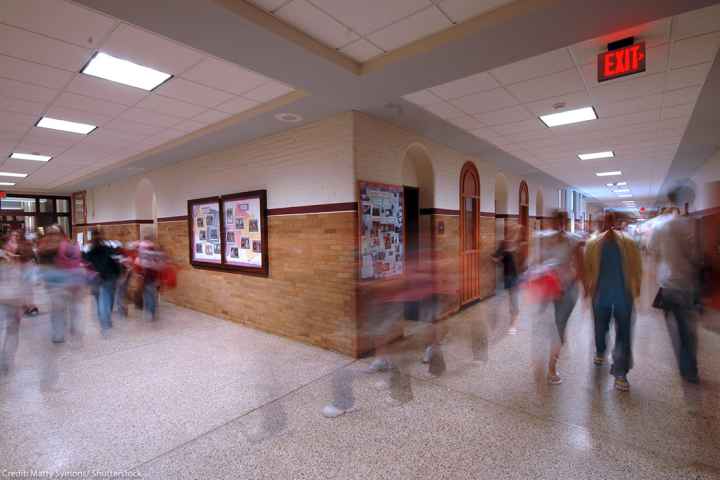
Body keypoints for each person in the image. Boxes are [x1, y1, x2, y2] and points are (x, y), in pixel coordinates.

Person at [584, 211, 642, 391]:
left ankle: (620, 373)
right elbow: (588, 269)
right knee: (602, 329)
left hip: (622, 297)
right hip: (602, 296)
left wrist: (635, 290)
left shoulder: (628, 243)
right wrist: (588, 289)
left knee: (623, 335)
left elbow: (636, 268)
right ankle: (601, 351)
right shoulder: (593, 244)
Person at [649, 187, 701, 383]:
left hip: (667, 285)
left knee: (675, 328)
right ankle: (690, 368)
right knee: (688, 328)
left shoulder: (660, 226)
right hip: (686, 284)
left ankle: (684, 364)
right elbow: (695, 255)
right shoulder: (688, 225)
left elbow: (652, 249)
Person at [538, 211, 583, 385]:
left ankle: (552, 366)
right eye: (556, 220)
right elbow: (538, 262)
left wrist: (576, 283)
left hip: (566, 289)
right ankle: (550, 354)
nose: (559, 224)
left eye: (562, 221)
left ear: (566, 222)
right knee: (545, 324)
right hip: (548, 287)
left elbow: (580, 266)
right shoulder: (545, 240)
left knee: (559, 327)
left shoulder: (574, 240)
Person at [84, 230, 121, 335]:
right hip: (108, 277)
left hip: (95, 278)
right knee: (106, 300)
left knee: (99, 300)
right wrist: (118, 273)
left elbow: (86, 262)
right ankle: (106, 323)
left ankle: (104, 320)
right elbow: (115, 262)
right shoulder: (108, 249)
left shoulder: (89, 250)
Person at [0, 235, 23, 374]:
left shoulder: (14, 258)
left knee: (10, 332)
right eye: (13, 241)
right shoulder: (8, 260)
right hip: (8, 300)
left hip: (10, 300)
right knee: (12, 332)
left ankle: (6, 360)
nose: (16, 244)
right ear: (6, 244)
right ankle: (6, 361)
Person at [492, 230, 520, 334]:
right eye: (513, 233)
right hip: (506, 277)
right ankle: (498, 322)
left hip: (514, 277)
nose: (514, 235)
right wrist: (499, 259)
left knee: (514, 302)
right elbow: (494, 258)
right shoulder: (503, 245)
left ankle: (513, 325)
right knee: (499, 300)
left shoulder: (514, 245)